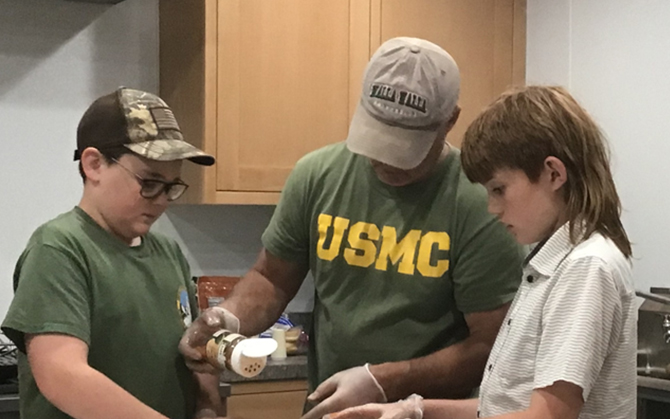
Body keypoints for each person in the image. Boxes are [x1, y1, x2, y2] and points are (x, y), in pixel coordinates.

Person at [178, 37, 524, 419]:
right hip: (328, 408)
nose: (385, 160)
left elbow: (491, 345)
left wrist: (383, 380)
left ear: (451, 120)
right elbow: (272, 279)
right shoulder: (318, 175)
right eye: (378, 137)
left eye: (405, 145)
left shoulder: (479, 203)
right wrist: (228, 318)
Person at [328, 85, 637, 419]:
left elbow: (547, 417)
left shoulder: (586, 267)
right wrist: (413, 410)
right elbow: (501, 407)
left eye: (499, 190)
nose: (492, 208)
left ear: (553, 173)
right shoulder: (553, 265)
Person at [1, 87, 226, 419]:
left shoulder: (168, 252)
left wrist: (208, 407)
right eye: (149, 182)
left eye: (172, 186)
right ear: (94, 165)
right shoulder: (59, 248)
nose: (162, 199)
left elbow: (195, 356)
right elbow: (62, 375)